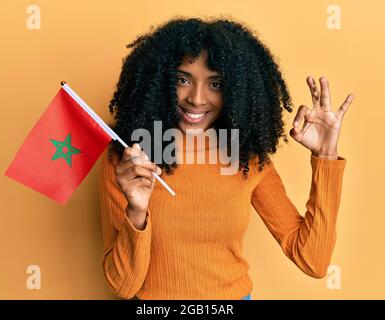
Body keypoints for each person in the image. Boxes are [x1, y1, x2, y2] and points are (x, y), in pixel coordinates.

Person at [98, 17, 354, 300]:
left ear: (236, 90)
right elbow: (122, 286)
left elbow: (313, 261)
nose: (196, 98)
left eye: (215, 83)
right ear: (158, 80)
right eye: (182, 79)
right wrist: (137, 211)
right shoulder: (129, 160)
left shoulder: (245, 157)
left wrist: (326, 157)